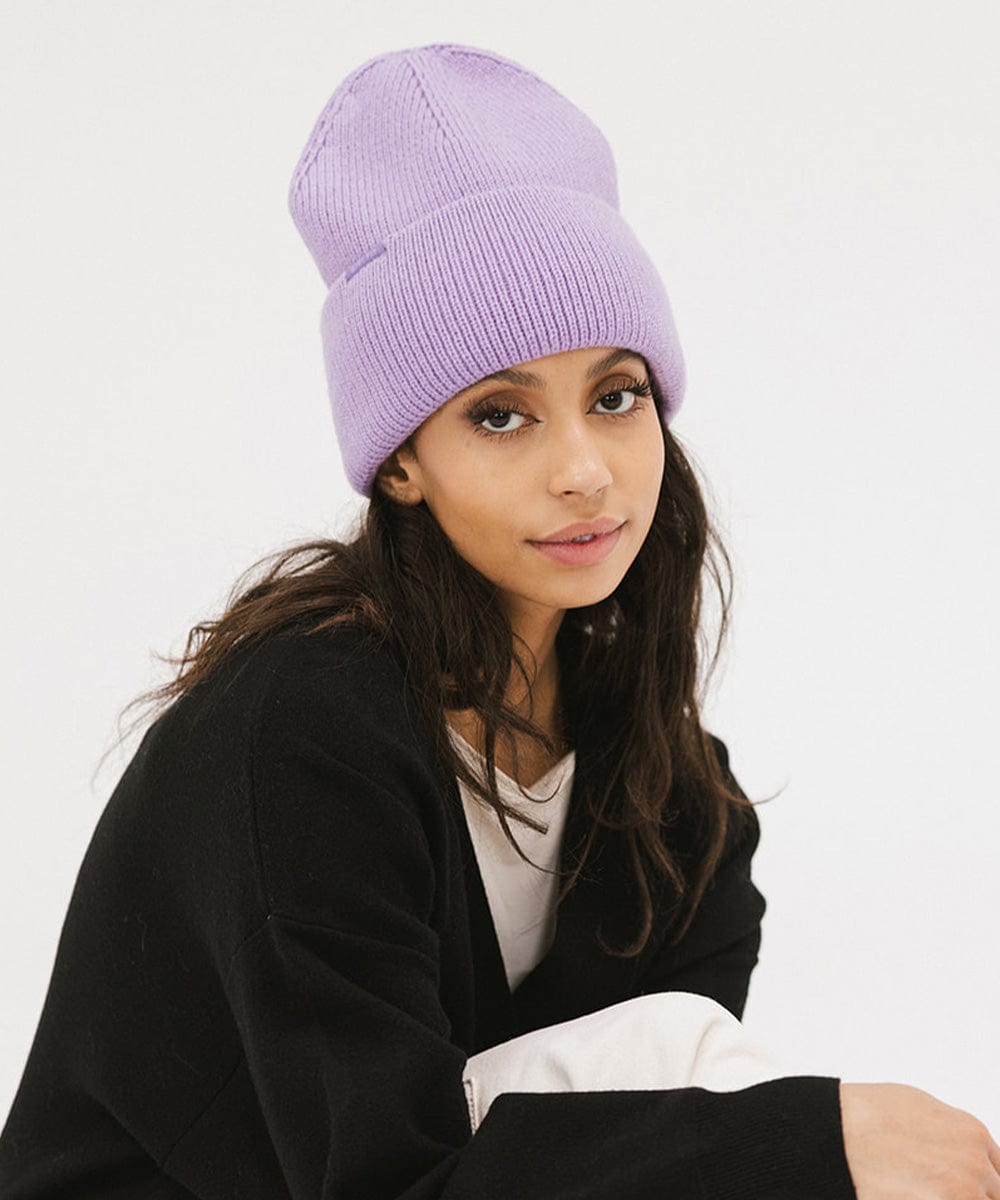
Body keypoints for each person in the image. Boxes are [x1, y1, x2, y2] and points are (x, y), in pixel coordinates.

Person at [1, 40, 997, 1200]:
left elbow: (621, 1148)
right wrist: (805, 1148)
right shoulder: (299, 735)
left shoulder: (675, 807)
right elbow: (390, 1179)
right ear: (404, 464)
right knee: (694, 1066)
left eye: (615, 396)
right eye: (501, 416)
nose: (585, 470)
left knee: (681, 1055)